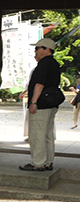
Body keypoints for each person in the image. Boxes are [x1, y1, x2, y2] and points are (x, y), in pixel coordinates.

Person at [20, 37, 62, 171]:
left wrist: (33, 102)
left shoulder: (43, 64)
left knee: (37, 134)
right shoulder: (54, 64)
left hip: (41, 104)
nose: (35, 51)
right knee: (47, 134)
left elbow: (39, 84)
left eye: (37, 48)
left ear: (46, 49)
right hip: (51, 104)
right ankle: (48, 161)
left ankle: (38, 163)